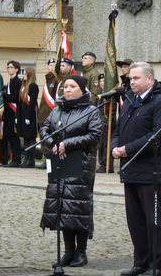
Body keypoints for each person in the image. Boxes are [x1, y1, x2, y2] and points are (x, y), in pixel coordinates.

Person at [111, 62, 161, 276]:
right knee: (135, 221)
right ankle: (141, 263)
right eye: (130, 79)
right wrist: (114, 147)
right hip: (130, 170)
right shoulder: (129, 99)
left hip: (151, 171)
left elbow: (159, 136)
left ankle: (158, 266)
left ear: (150, 79)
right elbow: (118, 129)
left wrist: (126, 149)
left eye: (136, 78)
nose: (132, 82)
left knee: (153, 221)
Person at [40, 75, 102, 268]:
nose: (67, 89)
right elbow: (44, 131)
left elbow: (94, 136)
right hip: (60, 162)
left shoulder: (91, 111)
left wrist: (67, 144)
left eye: (72, 86)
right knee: (62, 206)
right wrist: (55, 144)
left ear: (82, 90)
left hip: (80, 164)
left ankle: (81, 252)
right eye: (65, 86)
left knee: (78, 207)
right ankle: (68, 251)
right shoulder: (57, 110)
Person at [36, 59, 59, 169]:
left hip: (50, 115)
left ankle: (50, 161)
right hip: (43, 115)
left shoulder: (56, 80)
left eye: (51, 65)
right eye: (48, 65)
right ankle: (46, 159)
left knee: (49, 138)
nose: (49, 67)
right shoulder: (47, 81)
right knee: (43, 138)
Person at [17, 67, 39, 168]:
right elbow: (19, 102)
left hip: (30, 115)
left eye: (25, 74)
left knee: (31, 137)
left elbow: (32, 103)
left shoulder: (33, 86)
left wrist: (28, 116)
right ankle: (26, 158)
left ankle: (30, 158)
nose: (23, 75)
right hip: (22, 114)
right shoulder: (23, 86)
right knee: (25, 136)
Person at [3, 60, 22, 168]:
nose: (9, 69)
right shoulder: (10, 82)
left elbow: (14, 98)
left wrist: (3, 95)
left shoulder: (18, 82)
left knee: (14, 137)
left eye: (11, 67)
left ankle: (16, 159)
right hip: (8, 113)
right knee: (9, 136)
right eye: (8, 67)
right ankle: (12, 158)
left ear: (16, 69)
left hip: (14, 112)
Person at [96, 73, 115, 174]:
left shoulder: (110, 95)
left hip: (107, 124)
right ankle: (102, 164)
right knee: (101, 145)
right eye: (101, 81)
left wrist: (107, 123)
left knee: (106, 145)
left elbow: (111, 111)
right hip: (100, 124)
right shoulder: (100, 94)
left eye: (104, 81)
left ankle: (107, 166)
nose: (102, 83)